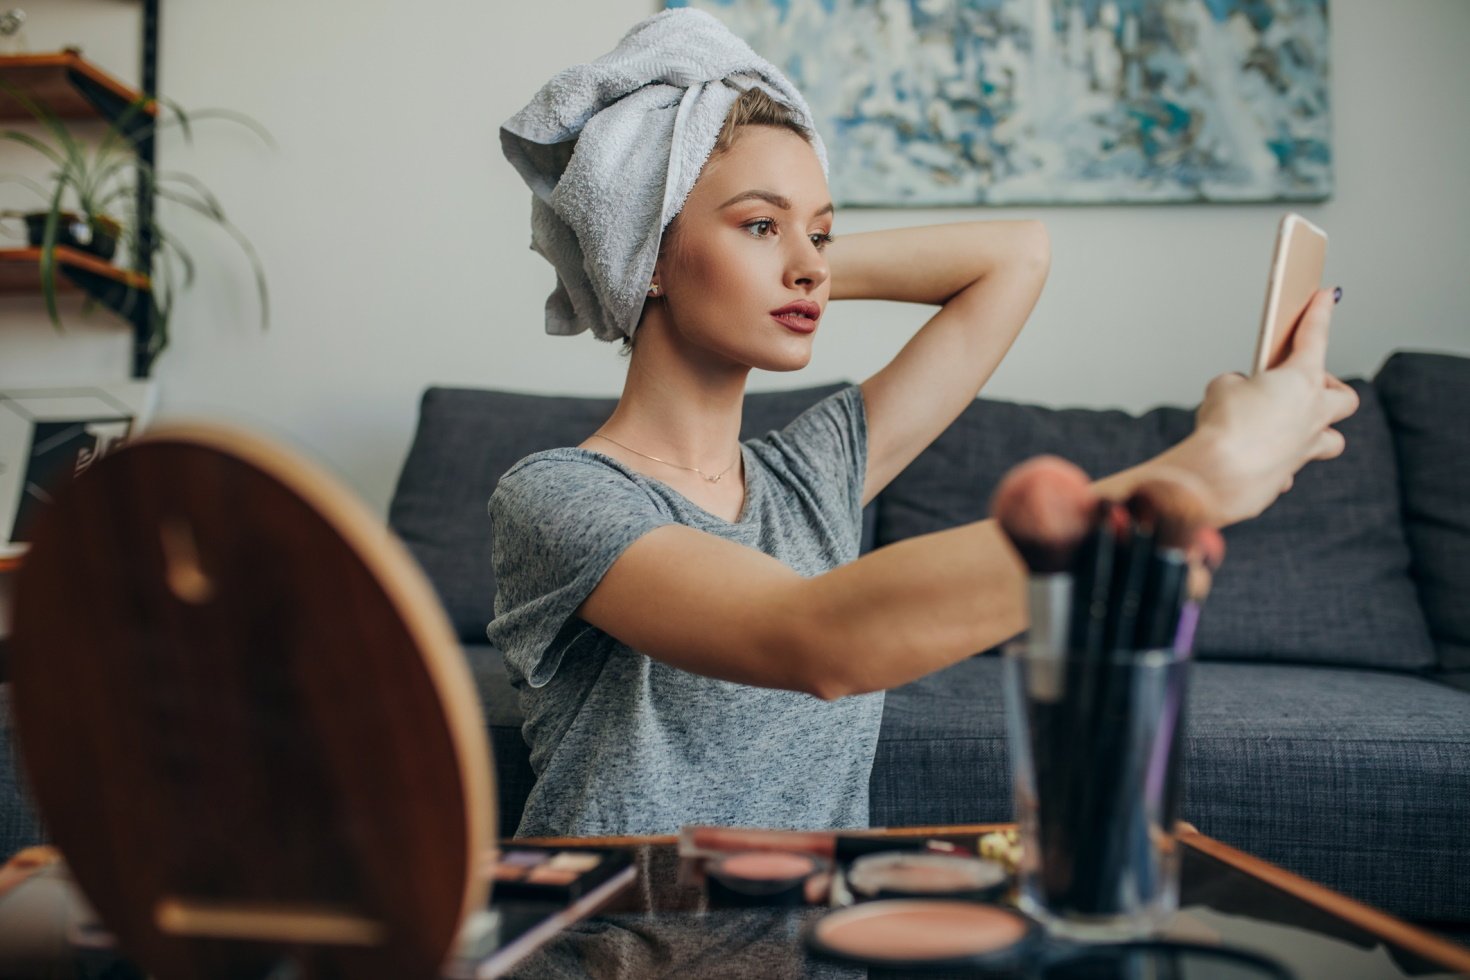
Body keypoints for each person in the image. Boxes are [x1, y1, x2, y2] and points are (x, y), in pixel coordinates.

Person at [489, 10, 1358, 838]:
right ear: (647, 259)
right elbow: (814, 639)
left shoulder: (810, 474)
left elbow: (1017, 255)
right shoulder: (556, 498)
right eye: (758, 224)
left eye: (823, 235)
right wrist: (1203, 475)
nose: (809, 265)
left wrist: (783, 261)